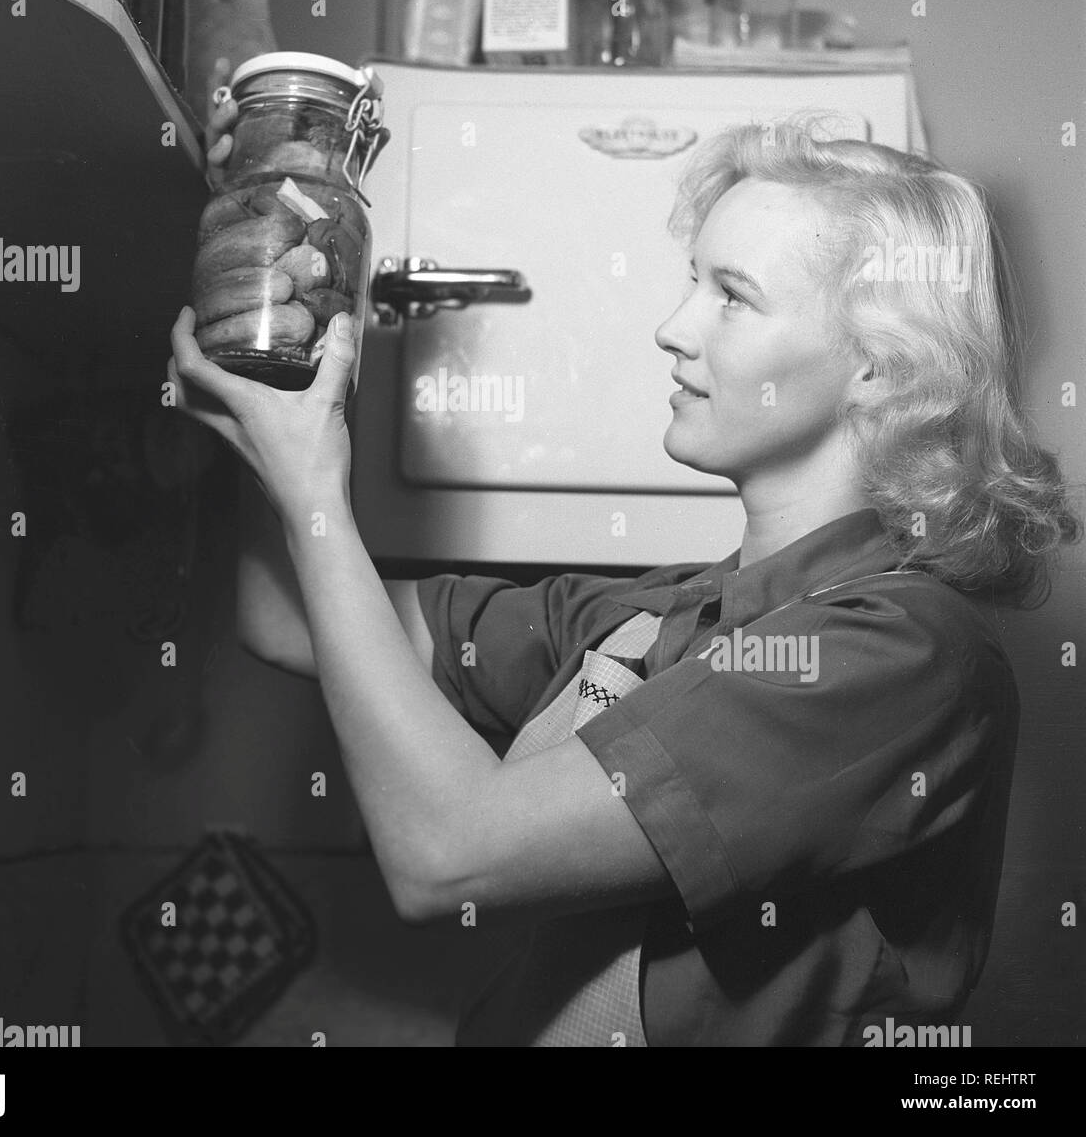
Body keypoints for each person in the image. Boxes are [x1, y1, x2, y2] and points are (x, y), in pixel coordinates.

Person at [169, 110, 1079, 1047]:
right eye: (693, 282)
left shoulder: (903, 651)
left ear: (876, 368)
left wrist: (316, 480)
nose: (670, 329)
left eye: (734, 296)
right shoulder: (644, 618)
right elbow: (285, 615)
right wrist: (270, 355)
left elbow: (447, 856)